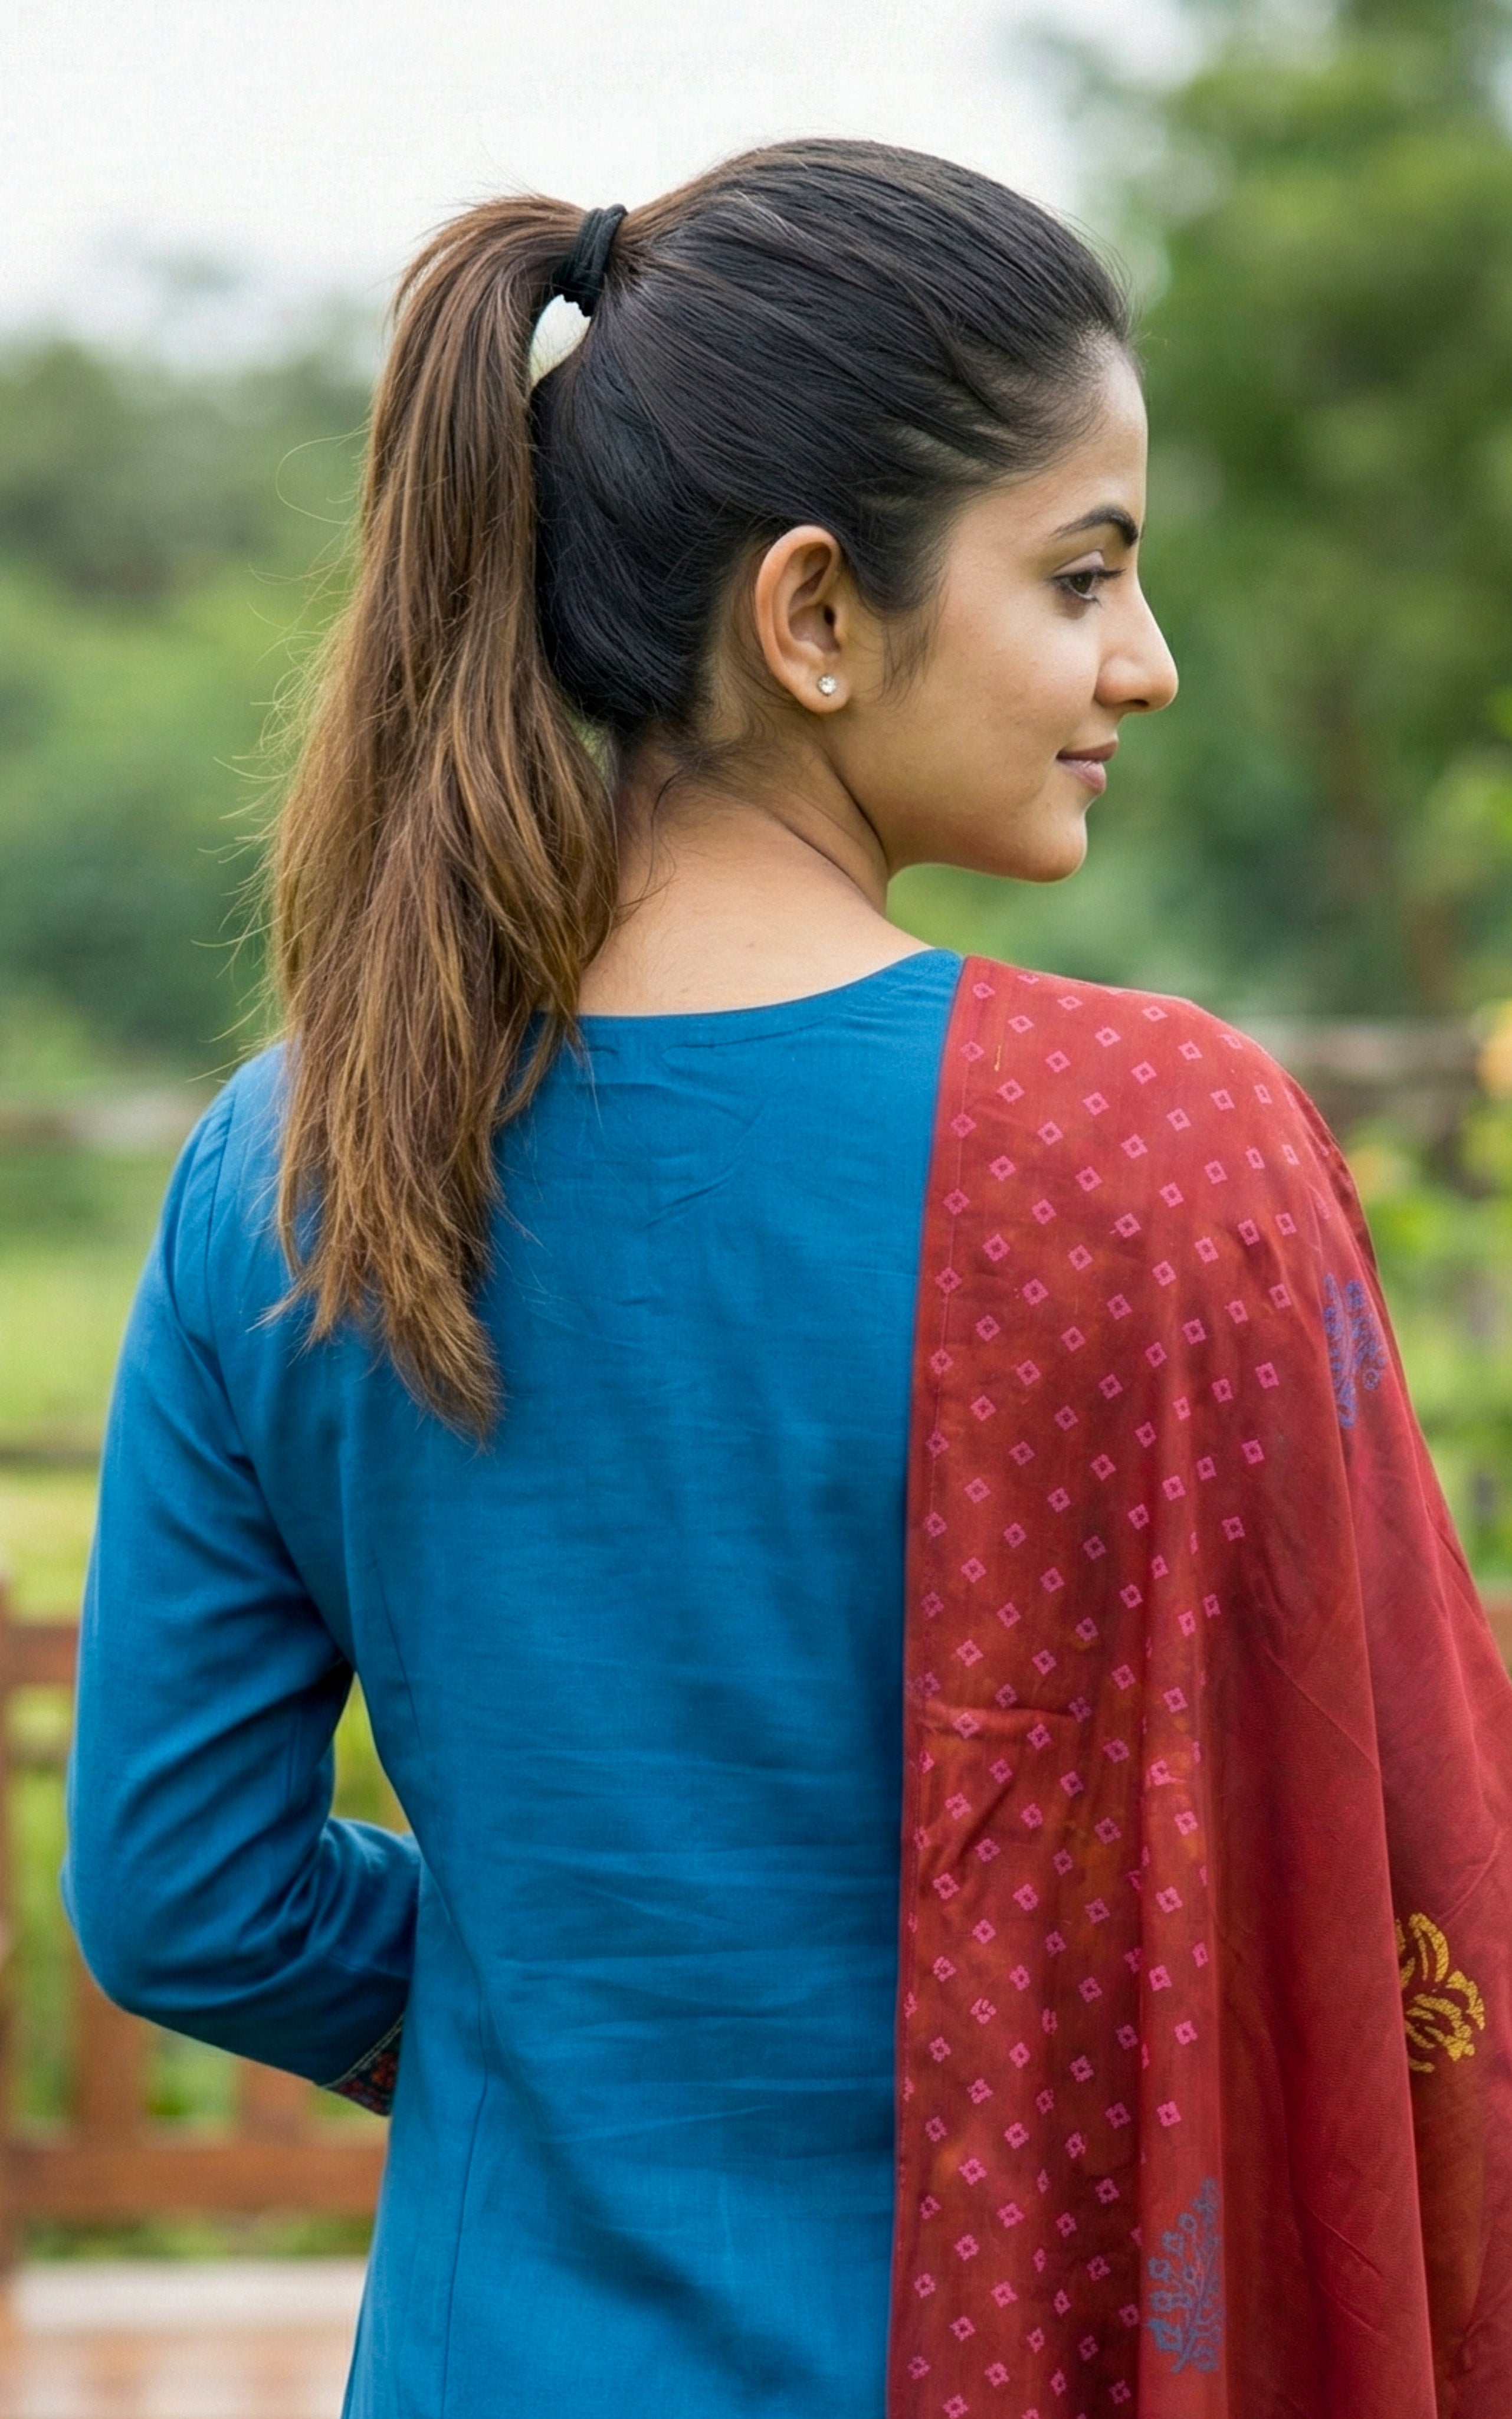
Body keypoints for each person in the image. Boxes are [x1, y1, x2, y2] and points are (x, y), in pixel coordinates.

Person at [64, 140, 1512, 2418]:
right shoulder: (1148, 1148)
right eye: (1083, 572)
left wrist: (572, 2012)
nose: (1142, 662)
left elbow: (179, 1895)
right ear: (815, 612)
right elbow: (1407, 1859)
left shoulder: (300, 1155)